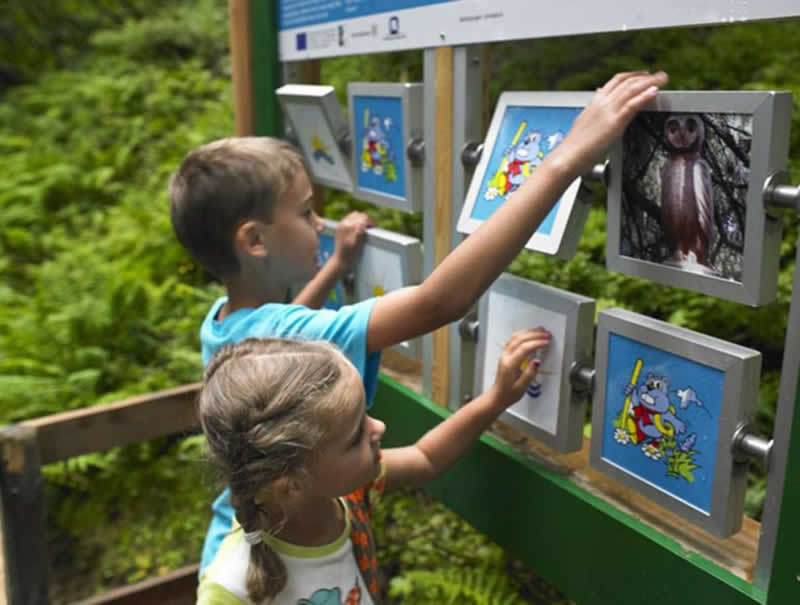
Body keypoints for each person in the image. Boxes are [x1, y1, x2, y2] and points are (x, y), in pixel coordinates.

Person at [168, 71, 669, 573]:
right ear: (254, 241)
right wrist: (565, 160)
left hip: (241, 545)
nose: (320, 224)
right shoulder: (294, 338)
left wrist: (335, 268)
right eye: (304, 214)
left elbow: (286, 328)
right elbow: (438, 302)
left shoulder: (225, 326)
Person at [196, 329, 551, 604]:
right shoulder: (229, 587)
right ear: (290, 485)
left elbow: (425, 458)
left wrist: (497, 398)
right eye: (355, 435)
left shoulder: (345, 494)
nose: (378, 427)